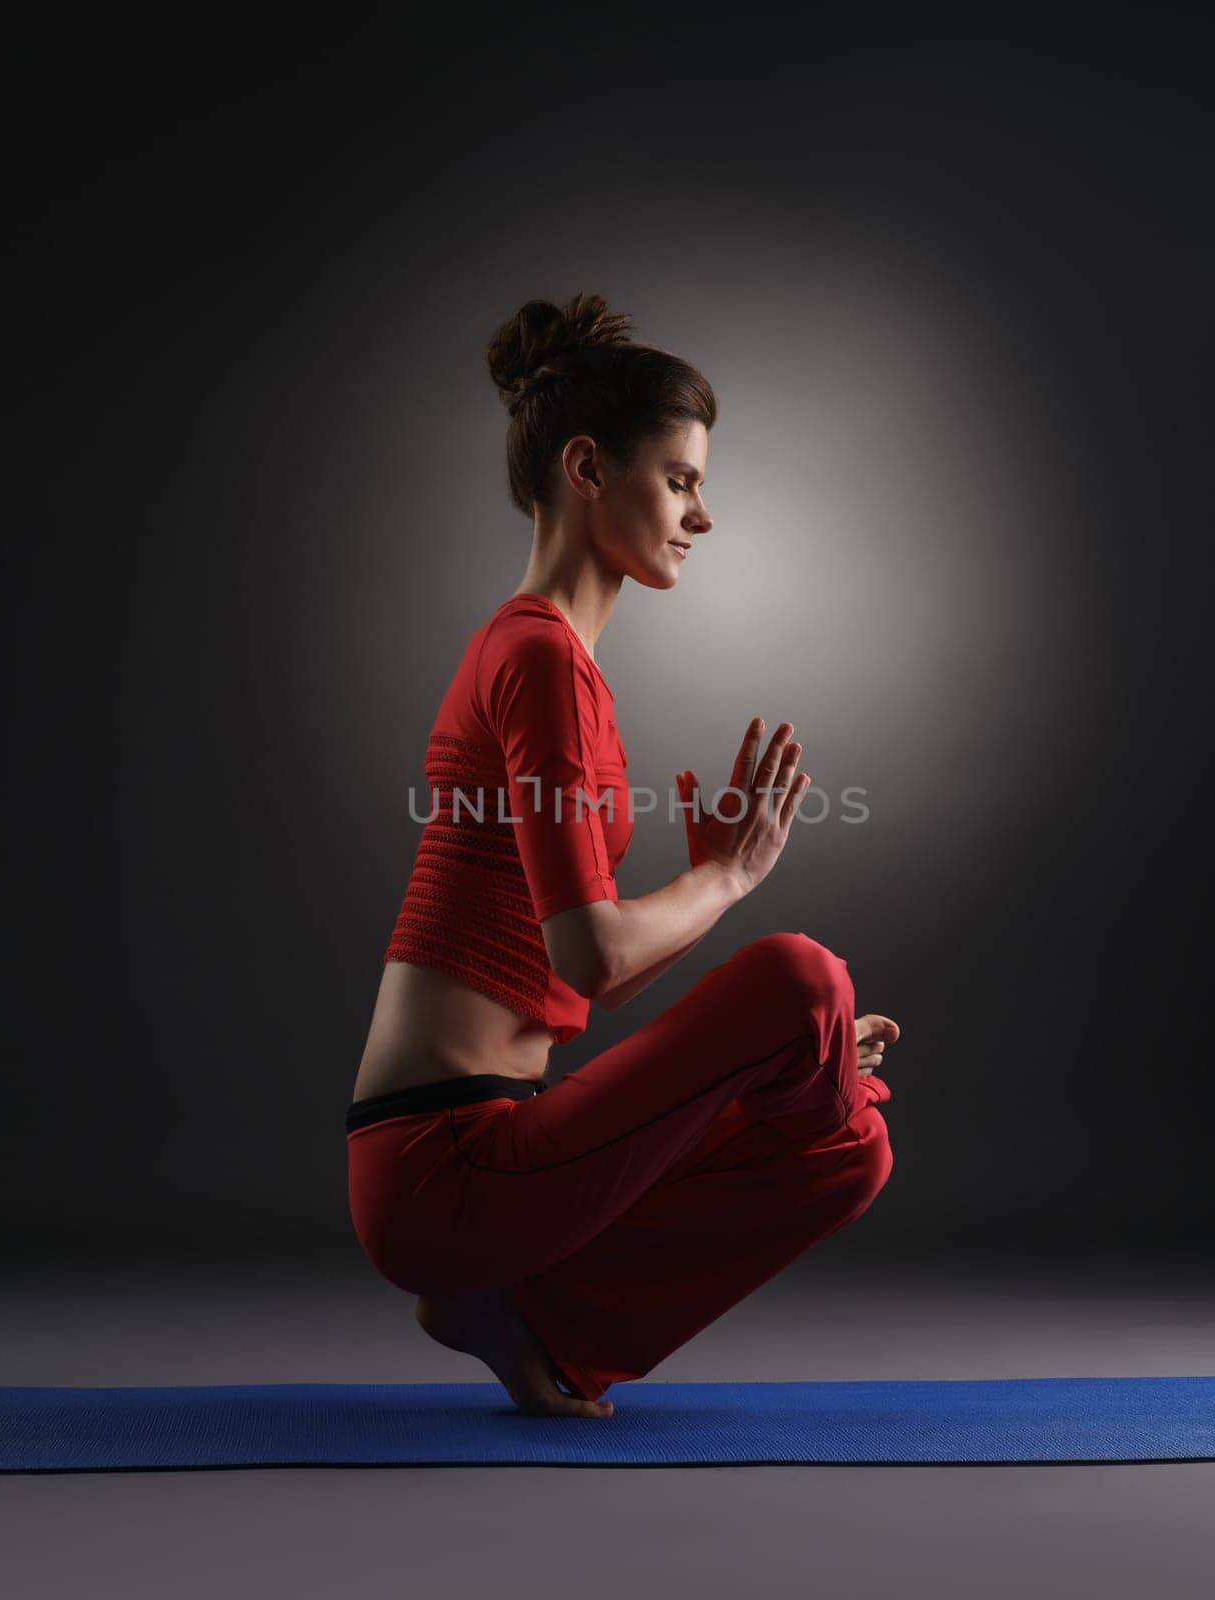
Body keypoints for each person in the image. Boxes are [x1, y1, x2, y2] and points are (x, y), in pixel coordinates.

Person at [347, 291, 900, 1419]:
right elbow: (593, 956)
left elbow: (570, 981)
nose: (701, 513)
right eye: (682, 479)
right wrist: (726, 881)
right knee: (805, 978)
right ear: (588, 467)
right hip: (441, 1169)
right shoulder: (540, 658)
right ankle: (522, 1299)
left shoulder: (553, 662)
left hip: (488, 1144)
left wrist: (765, 1035)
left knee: (854, 1146)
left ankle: (521, 1312)